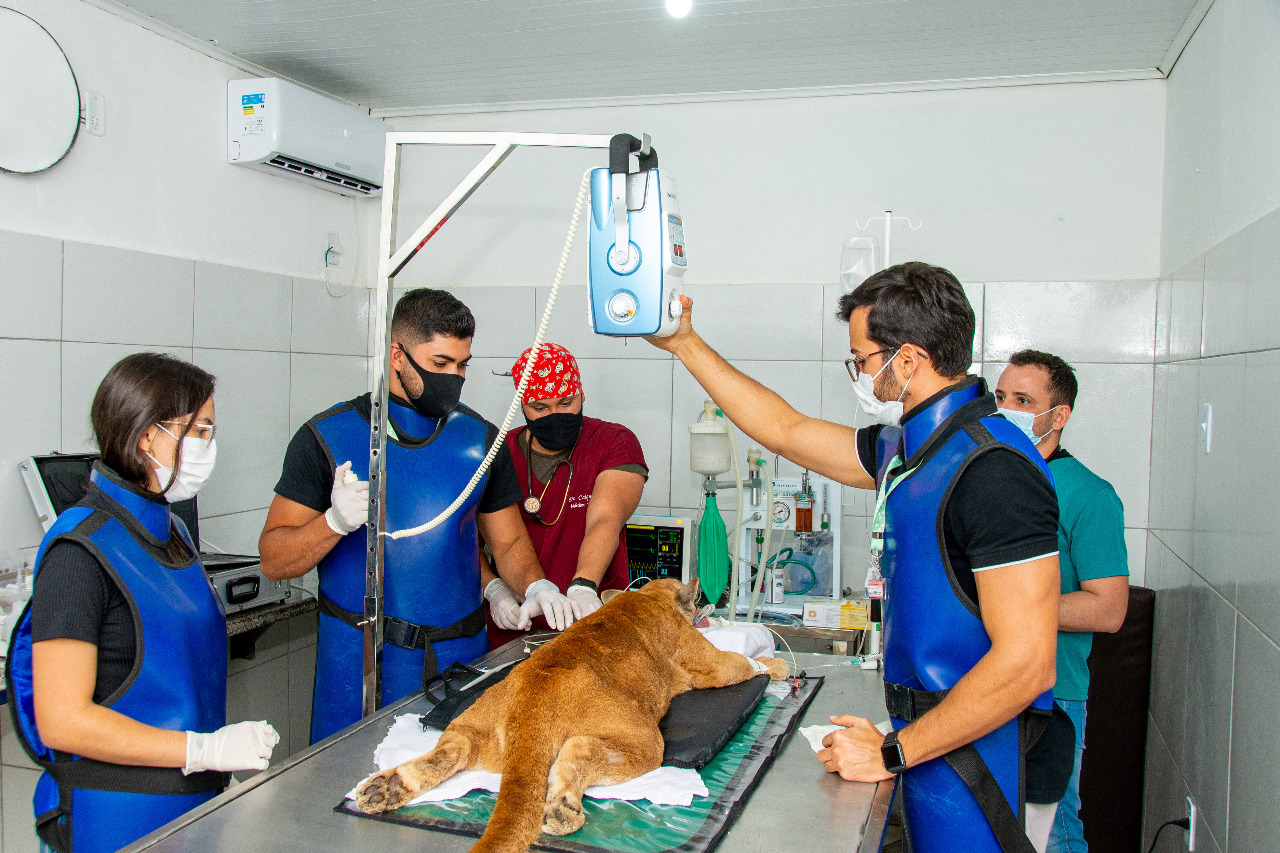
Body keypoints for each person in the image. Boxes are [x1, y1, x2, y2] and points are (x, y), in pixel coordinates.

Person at [647, 262, 1062, 853]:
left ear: (909, 360)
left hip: (972, 750)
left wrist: (892, 751)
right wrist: (683, 343)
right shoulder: (910, 450)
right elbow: (785, 430)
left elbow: (1028, 666)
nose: (860, 375)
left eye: (863, 360)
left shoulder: (993, 471)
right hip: (928, 734)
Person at [259, 288, 575, 744]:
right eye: (441, 364)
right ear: (397, 355)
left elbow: (506, 543)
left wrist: (535, 585)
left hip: (458, 661)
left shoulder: (481, 441)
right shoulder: (328, 437)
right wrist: (332, 523)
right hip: (360, 666)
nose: (454, 377)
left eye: (463, 365)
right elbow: (274, 560)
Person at [5, 353, 279, 853]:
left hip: (188, 806)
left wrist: (211, 772)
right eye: (197, 431)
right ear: (147, 435)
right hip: (115, 817)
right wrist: (202, 750)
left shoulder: (169, 528)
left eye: (210, 432)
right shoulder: (80, 550)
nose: (207, 447)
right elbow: (62, 719)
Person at [997, 350, 1129, 853]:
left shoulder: (1088, 495)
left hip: (1053, 694)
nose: (1007, 409)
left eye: (1024, 400)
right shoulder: (995, 480)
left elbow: (1108, 609)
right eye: (1002, 397)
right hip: (988, 682)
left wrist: (1004, 605)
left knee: (1052, 832)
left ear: (1059, 416)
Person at [481, 343, 648, 649]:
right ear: (522, 407)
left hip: (593, 629)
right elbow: (464, 541)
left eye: (566, 402)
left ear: (582, 396)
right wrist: (493, 589)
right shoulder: (495, 453)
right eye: (540, 408)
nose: (554, 415)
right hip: (515, 634)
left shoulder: (613, 443)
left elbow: (605, 520)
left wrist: (584, 586)